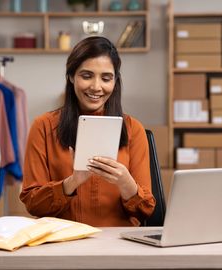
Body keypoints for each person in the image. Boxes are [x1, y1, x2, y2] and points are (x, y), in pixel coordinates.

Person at [20, 36, 156, 226]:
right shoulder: (43, 126)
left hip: (117, 243)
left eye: (106, 78)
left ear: (115, 81)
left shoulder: (134, 129)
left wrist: (126, 183)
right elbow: (33, 204)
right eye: (86, 76)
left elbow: (146, 211)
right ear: (70, 76)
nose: (96, 87)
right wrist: (72, 182)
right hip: (63, 241)